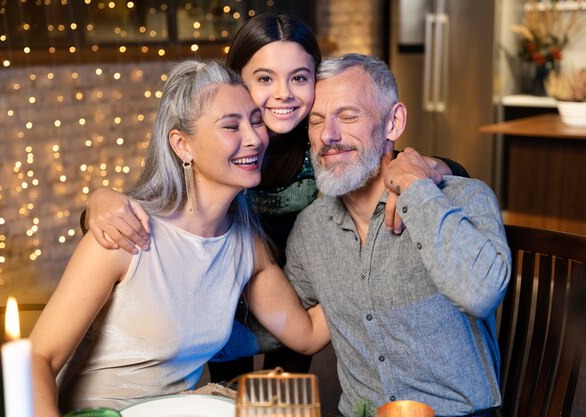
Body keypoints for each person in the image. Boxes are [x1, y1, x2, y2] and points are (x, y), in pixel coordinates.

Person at [80, 14, 470, 382]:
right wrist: (97, 201)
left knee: (287, 394)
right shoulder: (222, 145)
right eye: (264, 78)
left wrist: (430, 166)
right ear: (237, 81)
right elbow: (161, 198)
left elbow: (400, 166)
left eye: (299, 78)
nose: (283, 94)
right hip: (226, 297)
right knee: (231, 392)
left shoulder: (323, 139)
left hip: (296, 296)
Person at [29, 60, 330, 417]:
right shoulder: (124, 235)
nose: (254, 138)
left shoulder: (245, 247)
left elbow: (308, 333)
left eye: (255, 121)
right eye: (231, 126)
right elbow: (37, 358)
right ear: (182, 145)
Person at [285, 53, 511, 417]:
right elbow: (288, 317)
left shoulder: (465, 197)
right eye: (316, 121)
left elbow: (482, 293)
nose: (328, 135)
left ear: (394, 122)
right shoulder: (311, 228)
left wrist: (417, 188)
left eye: (348, 115)